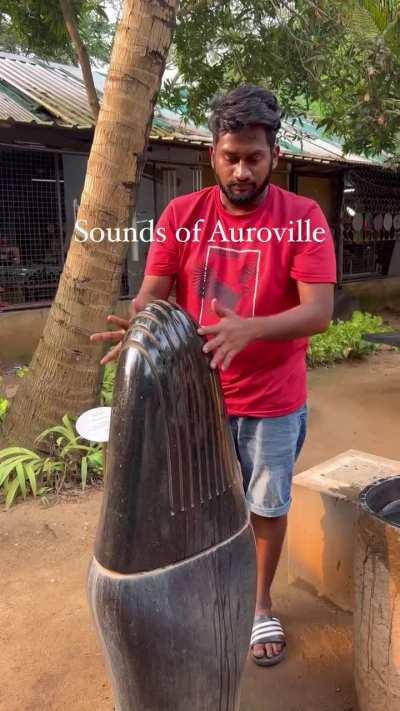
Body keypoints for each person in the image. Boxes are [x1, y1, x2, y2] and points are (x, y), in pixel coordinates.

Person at [91, 84, 336, 667]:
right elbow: (151, 294)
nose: (242, 170)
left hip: (272, 399)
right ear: (213, 153)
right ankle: (205, 596)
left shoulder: (302, 219)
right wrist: (141, 329)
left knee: (266, 505)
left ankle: (258, 605)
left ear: (274, 155)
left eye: (254, 157)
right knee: (195, 504)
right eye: (232, 157)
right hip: (194, 396)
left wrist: (250, 329)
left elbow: (319, 311)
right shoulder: (182, 215)